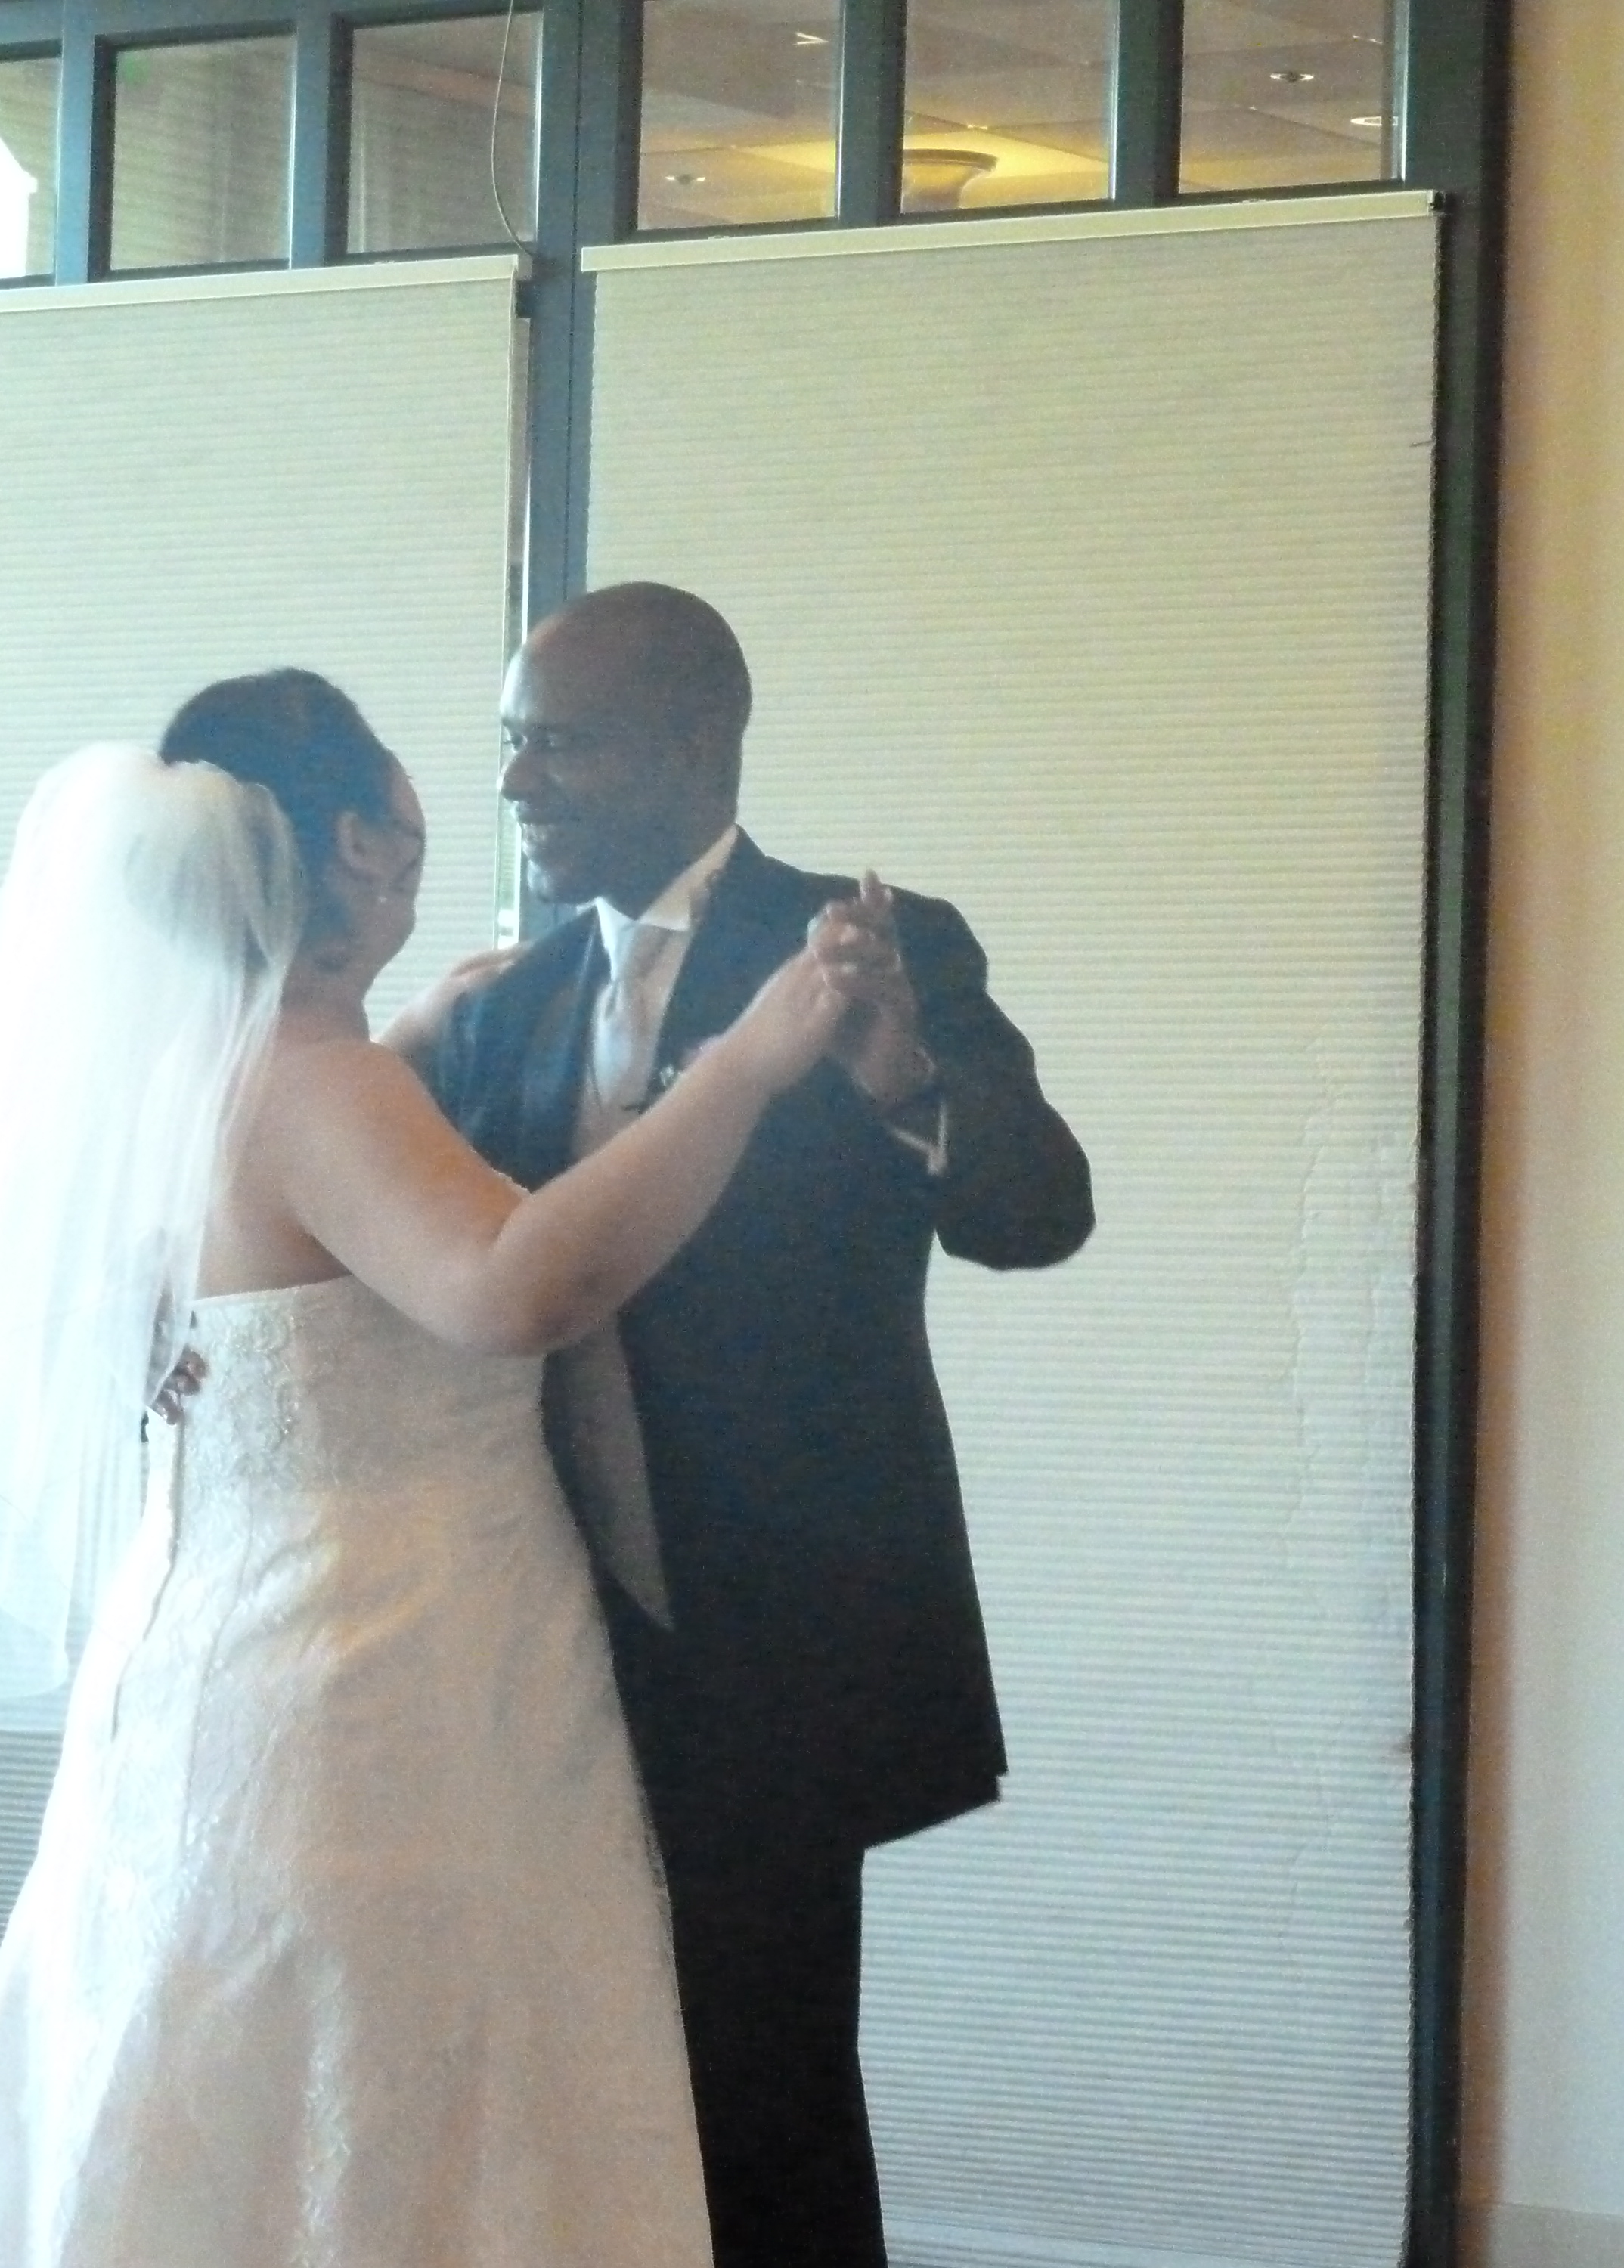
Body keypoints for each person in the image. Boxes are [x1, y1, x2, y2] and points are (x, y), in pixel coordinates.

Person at [0, 671, 859, 2268]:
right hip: (383, 1671)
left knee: (218, 2078)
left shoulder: (177, 1077)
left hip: (211, 1647)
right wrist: (742, 1070)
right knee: (388, 2082)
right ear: (359, 842)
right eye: (414, 800)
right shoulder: (317, 1083)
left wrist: (402, 1044)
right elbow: (510, 1289)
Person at [423, 584, 1095, 2268]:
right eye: (509, 743)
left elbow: (1038, 1213)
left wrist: (901, 1080)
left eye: (560, 745)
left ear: (697, 742)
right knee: (566, 2070)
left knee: (768, 2080)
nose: (515, 785)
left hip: (774, 1635)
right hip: (536, 1626)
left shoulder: (873, 947)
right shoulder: (504, 1004)